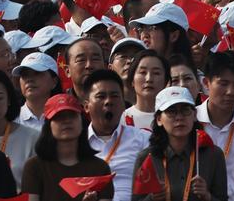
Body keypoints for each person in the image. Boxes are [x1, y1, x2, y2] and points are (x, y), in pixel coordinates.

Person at [130, 86, 227, 201]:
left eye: (185, 110)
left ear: (195, 115)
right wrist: (151, 198)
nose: (179, 117)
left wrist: (207, 196)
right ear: (159, 119)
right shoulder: (146, 158)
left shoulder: (213, 155)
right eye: (171, 112)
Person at [22, 93, 113, 201]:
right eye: (59, 117)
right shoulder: (34, 167)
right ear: (48, 126)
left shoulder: (100, 168)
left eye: (72, 115)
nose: (66, 121)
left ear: (82, 122)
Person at [83, 69, 151, 201]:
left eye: (114, 96)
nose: (108, 101)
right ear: (86, 106)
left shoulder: (143, 139)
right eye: (101, 96)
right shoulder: (74, 144)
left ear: (123, 105)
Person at [124, 50, 169, 130]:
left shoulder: (172, 120)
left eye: (156, 73)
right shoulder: (121, 120)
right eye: (143, 72)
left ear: (166, 81)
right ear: (132, 80)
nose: (149, 79)